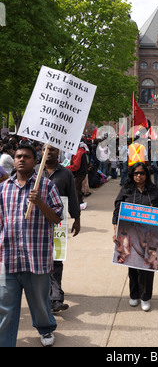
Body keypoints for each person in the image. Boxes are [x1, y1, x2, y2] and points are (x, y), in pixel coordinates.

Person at [0, 144, 64, 347]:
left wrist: (40, 203)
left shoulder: (46, 187)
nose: (21, 159)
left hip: (36, 258)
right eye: (18, 156)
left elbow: (56, 218)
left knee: (39, 302)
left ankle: (45, 330)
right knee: (5, 307)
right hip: (7, 258)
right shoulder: (3, 188)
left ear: (35, 161)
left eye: (26, 156)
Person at [112, 162, 158, 312]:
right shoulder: (126, 190)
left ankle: (145, 297)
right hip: (130, 235)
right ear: (132, 175)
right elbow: (117, 210)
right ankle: (134, 295)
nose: (138, 176)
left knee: (147, 266)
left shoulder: (155, 192)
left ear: (147, 175)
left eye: (141, 173)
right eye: (136, 173)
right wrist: (116, 229)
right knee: (132, 264)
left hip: (150, 236)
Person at [41, 145, 81, 313]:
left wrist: (76, 218)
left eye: (53, 149)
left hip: (57, 224)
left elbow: (72, 196)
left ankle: (56, 298)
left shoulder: (65, 174)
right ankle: (43, 298)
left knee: (56, 261)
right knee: (40, 263)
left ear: (58, 152)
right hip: (35, 227)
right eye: (45, 149)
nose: (49, 152)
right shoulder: (34, 171)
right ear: (41, 152)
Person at [66, 142, 89, 210]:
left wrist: (66, 167)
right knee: (77, 188)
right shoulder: (80, 152)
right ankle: (79, 202)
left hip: (79, 173)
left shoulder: (78, 153)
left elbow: (75, 167)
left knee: (76, 188)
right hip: (81, 173)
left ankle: (78, 203)